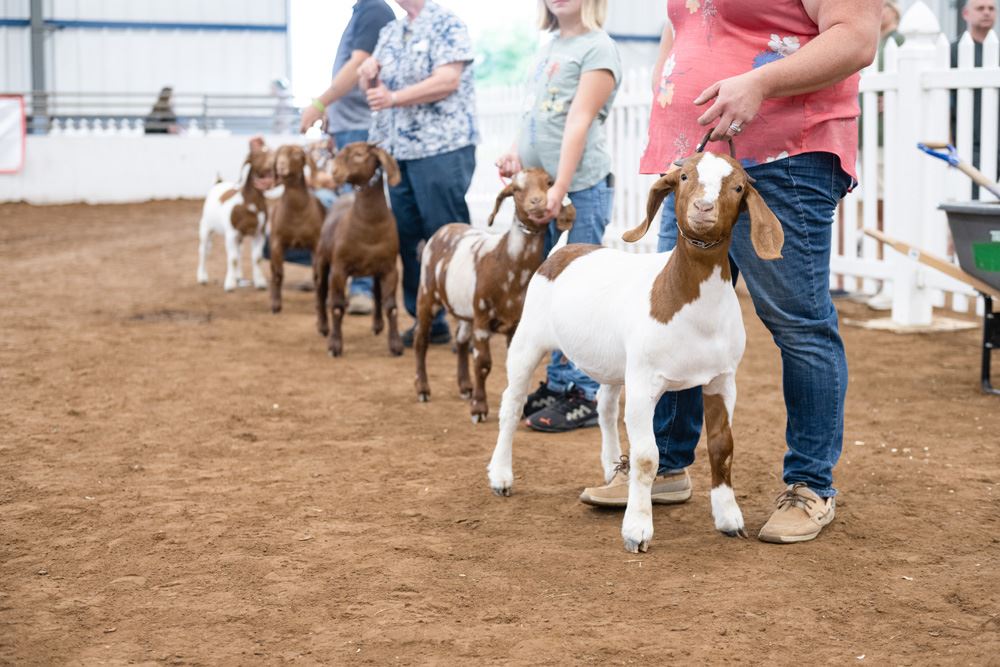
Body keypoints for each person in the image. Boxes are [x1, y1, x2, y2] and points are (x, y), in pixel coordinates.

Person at [580, 0, 880, 545]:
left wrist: (760, 83)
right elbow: (685, 22)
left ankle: (811, 485)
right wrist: (669, 79)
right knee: (672, 320)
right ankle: (667, 466)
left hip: (782, 156)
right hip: (695, 160)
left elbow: (857, 37)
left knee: (799, 325)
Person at [495, 0, 620, 433]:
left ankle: (582, 391)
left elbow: (578, 121)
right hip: (547, 190)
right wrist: (515, 151)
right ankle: (559, 381)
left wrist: (560, 188)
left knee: (579, 293)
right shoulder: (549, 45)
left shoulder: (598, 49)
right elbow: (532, 113)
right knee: (551, 288)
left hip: (579, 191)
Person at [358, 0, 479, 347]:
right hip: (398, 153)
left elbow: (447, 80)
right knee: (409, 236)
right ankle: (427, 318)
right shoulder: (391, 32)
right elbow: (374, 89)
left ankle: (468, 319)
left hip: (441, 147)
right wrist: (367, 72)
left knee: (447, 234)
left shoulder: (447, 24)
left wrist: (394, 97)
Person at [299, 0, 396, 314]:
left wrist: (320, 103)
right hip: (347, 126)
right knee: (345, 209)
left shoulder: (374, 11)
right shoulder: (360, 13)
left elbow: (358, 66)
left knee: (361, 209)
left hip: (359, 128)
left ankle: (363, 287)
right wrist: (332, 119)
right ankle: (340, 271)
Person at [950, 0, 999, 198]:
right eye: (980, 8)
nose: (986, 13)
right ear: (966, 14)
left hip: (997, 138)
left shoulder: (997, 50)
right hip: (969, 141)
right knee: (971, 199)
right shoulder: (953, 52)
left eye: (991, 9)